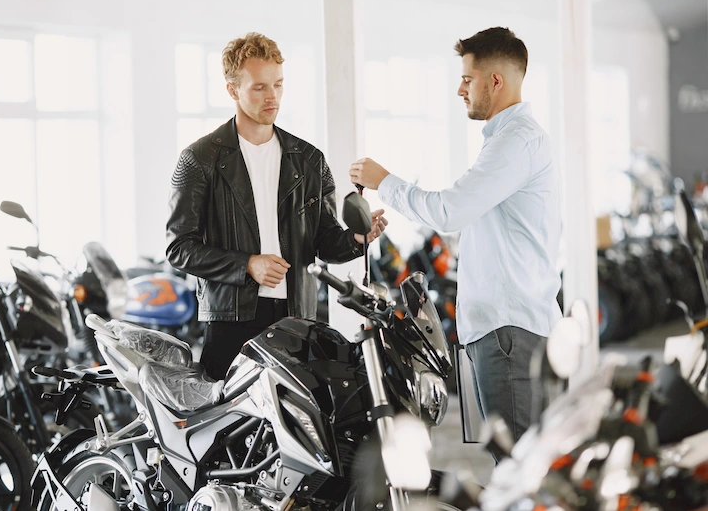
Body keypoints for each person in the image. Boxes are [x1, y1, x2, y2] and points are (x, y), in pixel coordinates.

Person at [349, 27, 562, 449]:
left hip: (510, 333)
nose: (460, 89)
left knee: (520, 467)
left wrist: (383, 181)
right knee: (515, 462)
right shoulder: (508, 140)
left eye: (467, 78)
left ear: (495, 81)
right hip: (505, 330)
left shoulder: (516, 141)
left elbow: (449, 210)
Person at [166, 32, 387, 381]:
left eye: (279, 85)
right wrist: (247, 264)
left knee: (300, 430)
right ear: (232, 89)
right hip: (230, 321)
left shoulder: (309, 160)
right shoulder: (199, 159)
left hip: (298, 317)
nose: (273, 96)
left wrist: (357, 239)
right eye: (259, 87)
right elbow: (179, 249)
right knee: (230, 430)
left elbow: (324, 241)